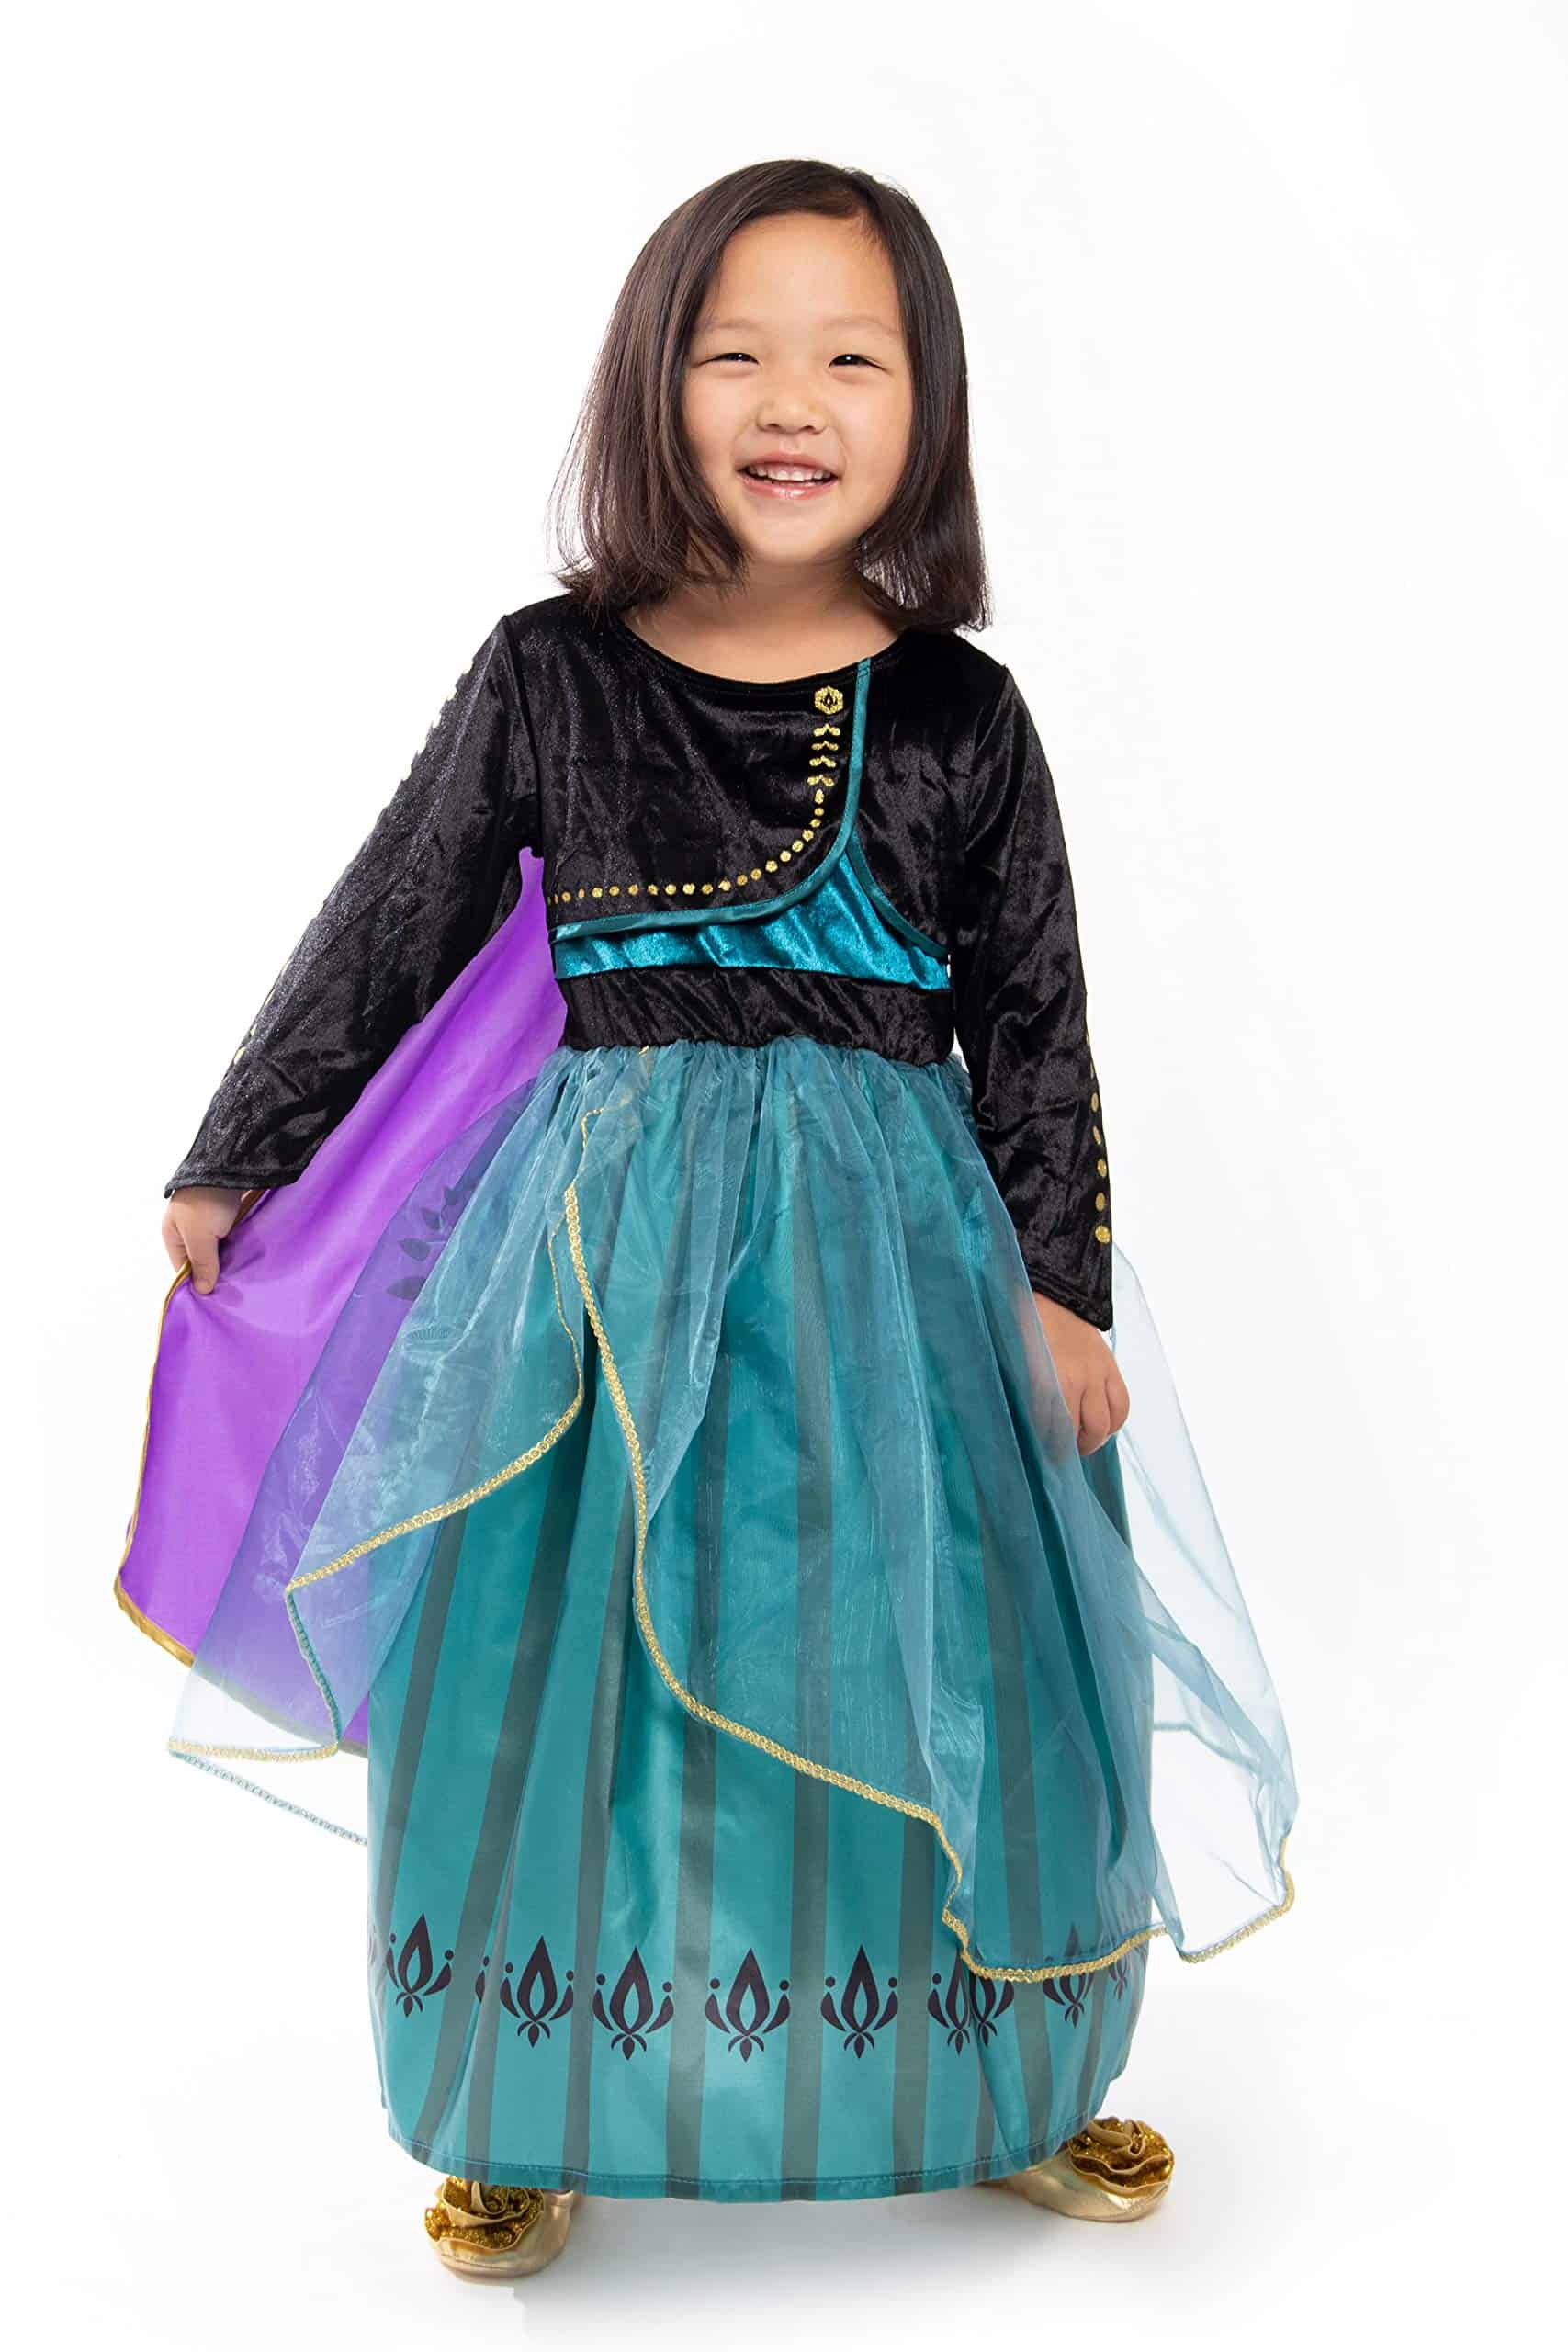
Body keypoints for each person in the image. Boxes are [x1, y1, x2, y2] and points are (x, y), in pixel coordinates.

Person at [117, 159, 1297, 2279]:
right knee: (554, 1659)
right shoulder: (549, 672)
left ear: (926, 405)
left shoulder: (958, 712)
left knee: (934, 1642)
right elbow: (395, 919)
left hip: (898, 1284)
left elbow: (1034, 1019)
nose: (790, 399)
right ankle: (527, 2093)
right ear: (652, 384)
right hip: (592, 1270)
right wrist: (245, 1146)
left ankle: (994, 2075)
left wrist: (1059, 1283)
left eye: (851, 357)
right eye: (734, 352)